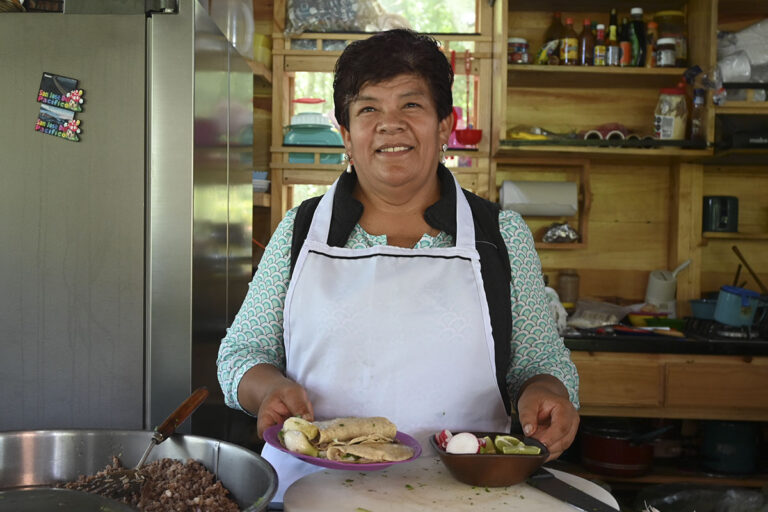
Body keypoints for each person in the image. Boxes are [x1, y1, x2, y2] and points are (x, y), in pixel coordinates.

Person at [218, 28, 580, 501]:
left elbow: (539, 363)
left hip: (468, 497)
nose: (390, 125)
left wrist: (546, 392)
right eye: (369, 109)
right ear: (346, 135)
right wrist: (267, 389)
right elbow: (241, 353)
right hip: (309, 494)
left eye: (411, 105)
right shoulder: (301, 231)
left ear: (444, 126)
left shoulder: (499, 236)